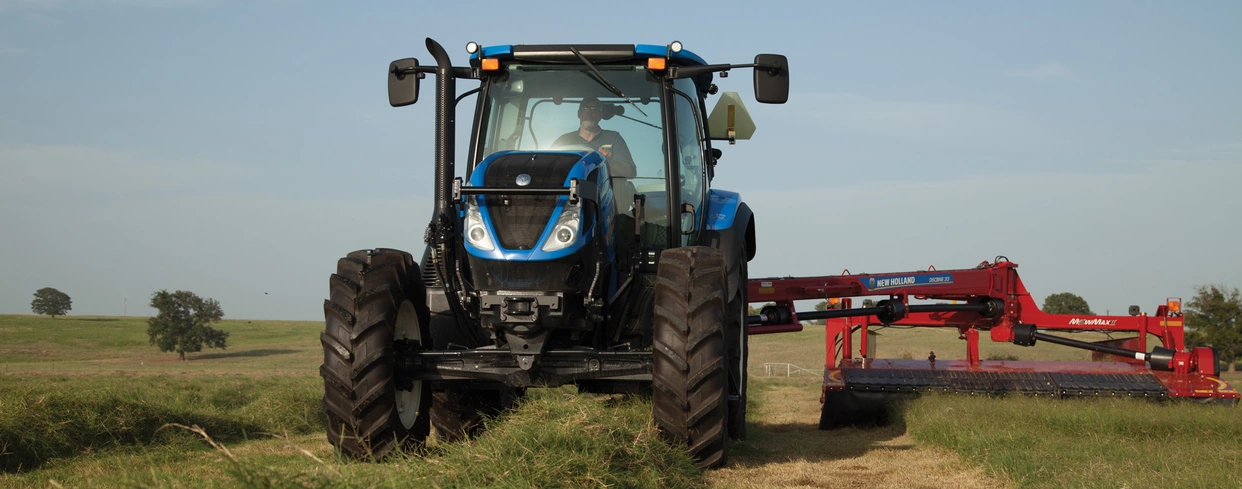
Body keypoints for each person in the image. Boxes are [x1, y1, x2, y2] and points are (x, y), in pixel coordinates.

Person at [552, 96, 636, 178]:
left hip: (605, 191)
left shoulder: (614, 138)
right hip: (568, 190)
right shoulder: (564, 140)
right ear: (579, 114)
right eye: (585, 109)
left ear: (600, 115)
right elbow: (548, 164)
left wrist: (605, 160)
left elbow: (630, 172)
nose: (589, 113)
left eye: (594, 109)